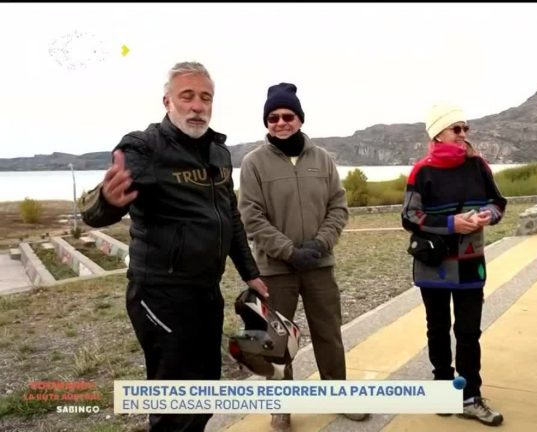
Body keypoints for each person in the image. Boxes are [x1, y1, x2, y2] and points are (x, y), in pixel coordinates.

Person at [79, 61, 268, 432]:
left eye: (205, 98)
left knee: (206, 387)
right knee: (174, 401)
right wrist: (106, 201)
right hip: (160, 293)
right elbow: (94, 211)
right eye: (187, 96)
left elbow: (230, 217)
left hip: (206, 291)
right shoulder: (143, 147)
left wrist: (250, 272)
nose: (198, 106)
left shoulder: (218, 153)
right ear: (167, 101)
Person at [238, 82, 369, 432]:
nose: (281, 122)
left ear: (299, 118)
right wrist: (289, 252)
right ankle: (281, 407)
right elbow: (251, 216)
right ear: (267, 123)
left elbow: (338, 207)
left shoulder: (322, 159)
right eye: (273, 117)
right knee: (277, 339)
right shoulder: (253, 163)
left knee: (329, 333)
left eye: (288, 116)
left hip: (319, 266)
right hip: (275, 269)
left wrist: (320, 245)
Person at [401, 103, 507, 427]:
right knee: (437, 330)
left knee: (468, 332)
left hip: (471, 263)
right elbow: (409, 216)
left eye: (465, 128)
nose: (463, 134)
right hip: (433, 265)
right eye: (456, 129)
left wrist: (488, 214)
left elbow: (498, 202)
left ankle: (470, 397)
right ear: (438, 134)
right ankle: (443, 391)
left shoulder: (478, 166)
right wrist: (451, 224)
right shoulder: (421, 171)